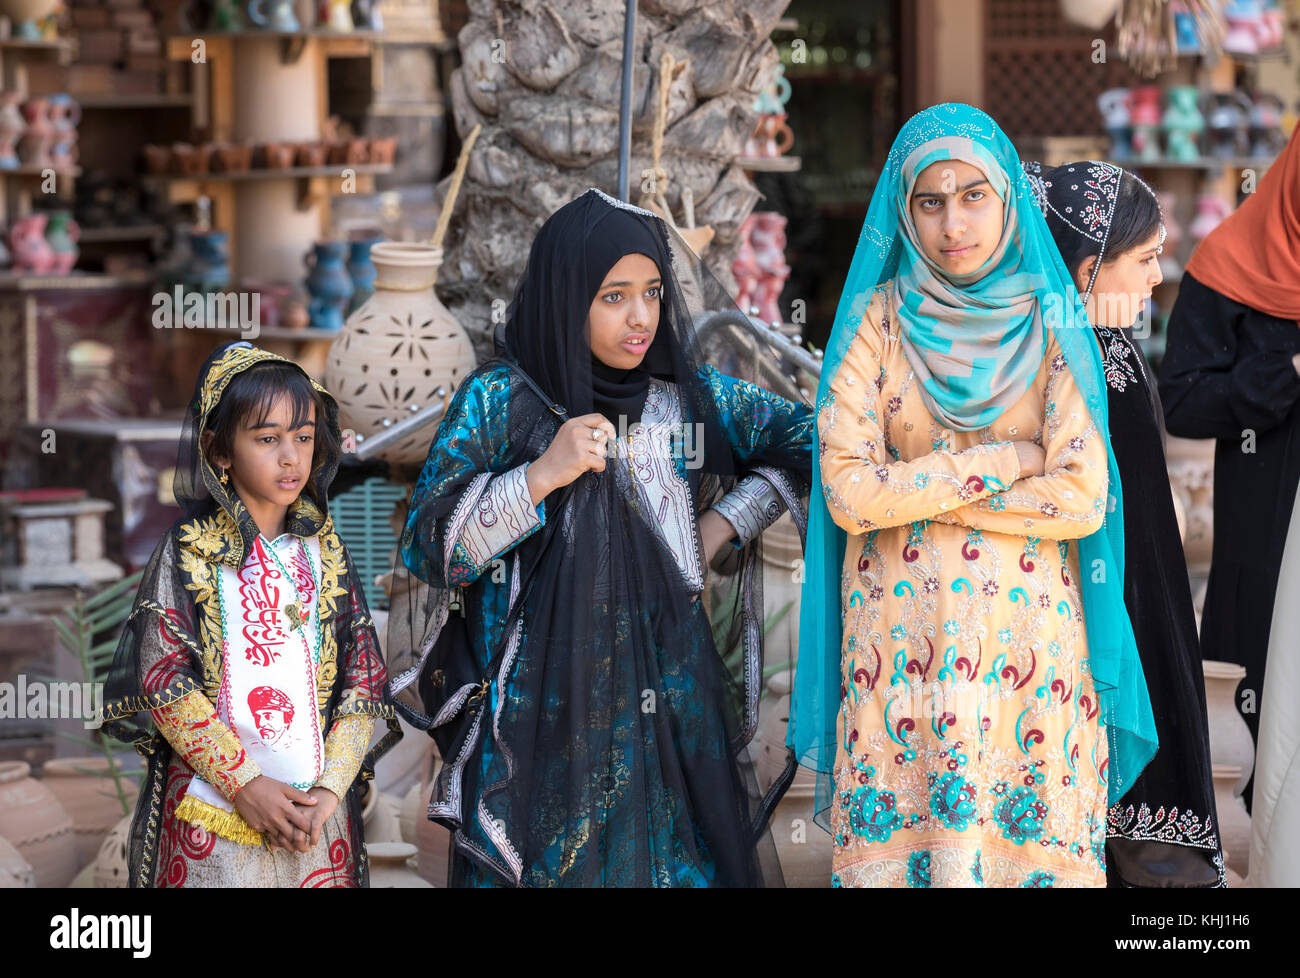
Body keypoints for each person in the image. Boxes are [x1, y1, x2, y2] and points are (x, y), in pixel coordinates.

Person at [387, 187, 813, 887]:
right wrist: (540, 476)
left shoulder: (686, 401)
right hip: (535, 723)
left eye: (651, 292)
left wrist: (719, 526)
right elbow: (430, 548)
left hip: (668, 709)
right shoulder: (500, 401)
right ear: (567, 293)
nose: (641, 317)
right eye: (613, 296)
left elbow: (814, 442)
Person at [790, 104, 1157, 888]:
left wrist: (916, 493)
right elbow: (849, 494)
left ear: (1006, 200)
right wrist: (1007, 459)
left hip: (1028, 661)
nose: (953, 223)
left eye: (973, 196)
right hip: (900, 663)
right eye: (930, 201)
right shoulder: (874, 324)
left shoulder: (1053, 320)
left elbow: (1084, 499)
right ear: (904, 211)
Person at [102, 342, 401, 888]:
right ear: (218, 450)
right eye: (267, 439)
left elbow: (364, 680)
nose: (291, 457)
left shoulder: (326, 551)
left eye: (304, 437)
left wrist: (331, 791)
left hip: (316, 821)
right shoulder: (190, 551)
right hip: (212, 814)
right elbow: (164, 678)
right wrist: (245, 785)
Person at [1028, 159, 1223, 887]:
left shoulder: (1091, 346)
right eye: (1143, 261)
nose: (1155, 278)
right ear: (1084, 272)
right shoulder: (1097, 358)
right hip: (1117, 605)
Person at [1157, 125, 1300, 813]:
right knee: (1266, 703)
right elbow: (1181, 400)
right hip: (1268, 530)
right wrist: (1286, 373)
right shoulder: (1229, 265)